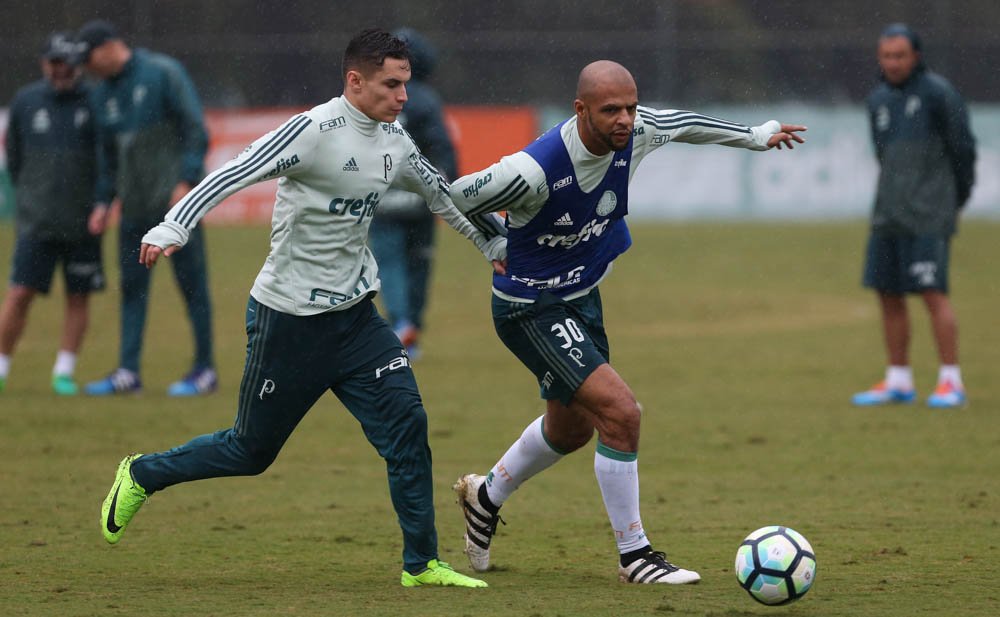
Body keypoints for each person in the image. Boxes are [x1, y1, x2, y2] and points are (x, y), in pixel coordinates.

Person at [99, 29, 505, 589]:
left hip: (358, 319)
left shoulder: (396, 139)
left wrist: (492, 245)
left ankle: (421, 564)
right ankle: (141, 473)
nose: (403, 97)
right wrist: (175, 224)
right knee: (250, 450)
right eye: (392, 85)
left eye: (406, 85)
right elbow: (233, 171)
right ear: (355, 81)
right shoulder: (314, 131)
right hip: (287, 321)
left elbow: (441, 192)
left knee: (407, 425)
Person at [449, 60, 805, 584]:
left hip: (583, 298)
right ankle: (635, 557)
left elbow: (682, 123)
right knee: (621, 413)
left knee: (569, 430)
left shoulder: (637, 131)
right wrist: (493, 241)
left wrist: (755, 136)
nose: (625, 120)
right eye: (610, 109)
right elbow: (459, 193)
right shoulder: (533, 170)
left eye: (631, 107)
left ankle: (485, 496)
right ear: (580, 110)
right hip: (530, 306)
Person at [76, 19, 217, 396]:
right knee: (131, 290)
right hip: (133, 211)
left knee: (193, 287)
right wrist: (104, 201)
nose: (86, 68)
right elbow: (107, 155)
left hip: (176, 211)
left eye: (88, 58)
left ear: (108, 48)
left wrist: (186, 182)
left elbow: (195, 130)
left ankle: (204, 370)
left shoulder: (162, 73)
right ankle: (128, 372)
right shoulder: (100, 92)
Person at [851, 24, 976, 409]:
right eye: (887, 56)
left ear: (916, 57)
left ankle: (950, 380)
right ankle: (898, 380)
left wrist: (954, 198)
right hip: (888, 213)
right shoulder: (878, 101)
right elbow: (882, 155)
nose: (893, 63)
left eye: (900, 55)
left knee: (932, 294)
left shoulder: (939, 94)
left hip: (927, 214)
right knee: (887, 294)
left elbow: (963, 151)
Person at [0, 32, 104, 396]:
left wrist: (100, 203)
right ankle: (1, 367)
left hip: (84, 222)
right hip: (37, 221)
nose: (61, 70)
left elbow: (104, 160)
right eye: (54, 63)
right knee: (19, 294)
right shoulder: (27, 102)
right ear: (45, 64)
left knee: (78, 296)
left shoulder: (95, 101)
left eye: (67, 64)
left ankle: (64, 372)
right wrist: (31, 200)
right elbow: (14, 160)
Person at [368, 28, 456, 358]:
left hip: (381, 199)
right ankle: (413, 329)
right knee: (419, 262)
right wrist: (450, 191)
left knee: (388, 263)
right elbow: (442, 148)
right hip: (419, 198)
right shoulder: (426, 100)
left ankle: (401, 322)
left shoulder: (372, 97)